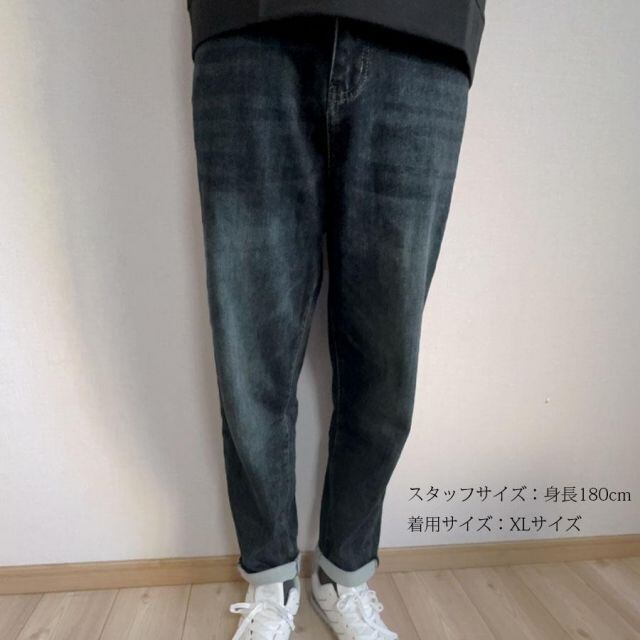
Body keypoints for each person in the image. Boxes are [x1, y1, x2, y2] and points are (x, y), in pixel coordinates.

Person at [187, 2, 485, 638]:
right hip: (248, 24)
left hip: (425, 32)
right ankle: (272, 579)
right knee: (250, 350)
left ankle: (342, 575)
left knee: (386, 360)